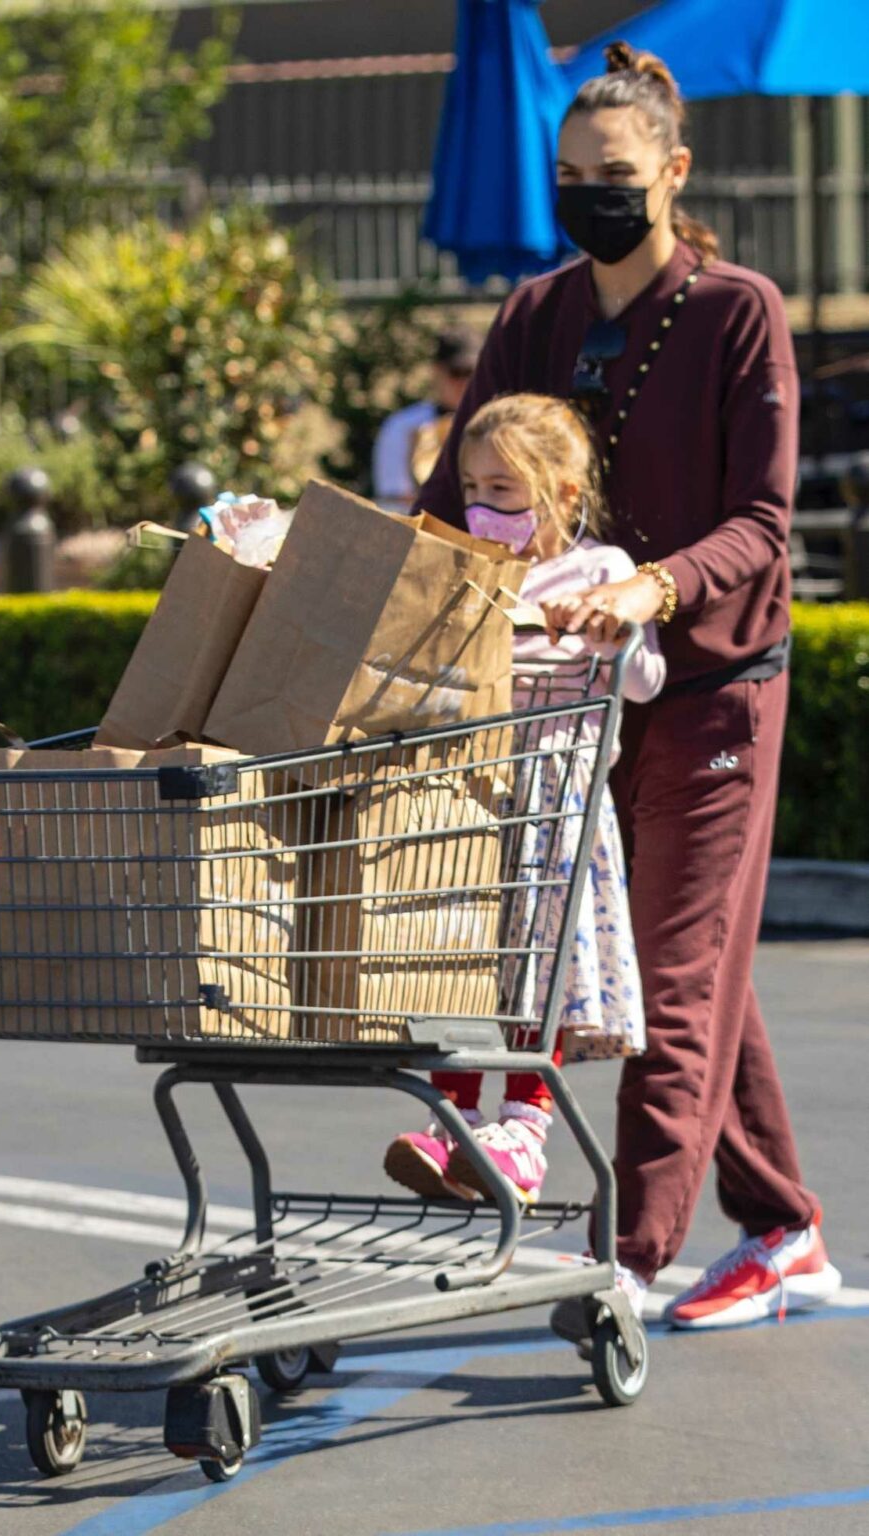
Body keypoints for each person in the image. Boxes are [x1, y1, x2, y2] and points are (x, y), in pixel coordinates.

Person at [409, 43, 841, 1329]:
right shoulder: (536, 316)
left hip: (709, 686)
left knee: (673, 971)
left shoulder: (736, 310)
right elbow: (446, 507)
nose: (590, 194)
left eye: (614, 174)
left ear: (671, 173)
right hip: (568, 700)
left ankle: (631, 1255)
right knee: (696, 967)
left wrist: (653, 588)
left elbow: (764, 523)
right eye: (569, 174)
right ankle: (781, 1229)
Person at [385, 392, 666, 1211]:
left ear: (563, 495)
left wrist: (615, 633)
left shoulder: (600, 571)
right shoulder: (466, 572)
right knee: (462, 962)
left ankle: (521, 1132)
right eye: (474, 488)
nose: (485, 507)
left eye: (504, 491)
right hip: (473, 794)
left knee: (535, 969)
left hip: (553, 800)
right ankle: (456, 1121)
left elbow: (644, 681)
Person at [371, 327, 480, 508]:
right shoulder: (402, 426)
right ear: (436, 371)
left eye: (472, 373)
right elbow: (395, 499)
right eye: (457, 372)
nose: (465, 382)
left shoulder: (497, 425)